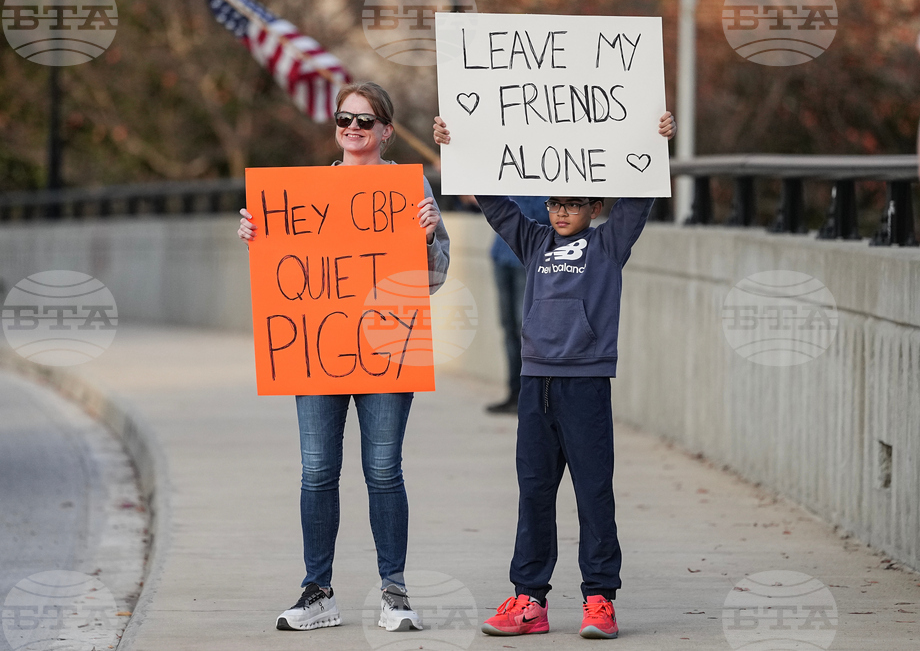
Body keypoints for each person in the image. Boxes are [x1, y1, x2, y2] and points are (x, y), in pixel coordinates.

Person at [432, 111, 676, 639]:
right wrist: (458, 147)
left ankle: (599, 600)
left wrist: (656, 142)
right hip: (534, 382)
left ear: (595, 207)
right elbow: (493, 202)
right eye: (555, 203)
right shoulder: (534, 241)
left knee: (593, 491)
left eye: (574, 203)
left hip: (585, 384)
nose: (562, 211)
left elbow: (641, 197)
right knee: (534, 491)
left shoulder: (609, 245)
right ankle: (528, 600)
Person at [239, 81, 450, 633]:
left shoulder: (409, 187)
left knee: (383, 470)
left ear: (386, 130)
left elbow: (434, 276)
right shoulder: (306, 191)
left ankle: (395, 591)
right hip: (317, 349)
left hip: (386, 347)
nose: (351, 129)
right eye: (343, 120)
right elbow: (285, 275)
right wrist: (257, 237)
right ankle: (318, 591)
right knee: (317, 472)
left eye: (364, 121)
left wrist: (427, 237)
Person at [486, 195, 550, 414]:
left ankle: (533, 396)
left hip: (528, 257)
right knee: (509, 328)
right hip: (502, 254)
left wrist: (508, 201)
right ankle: (515, 393)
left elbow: (543, 212)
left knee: (528, 330)